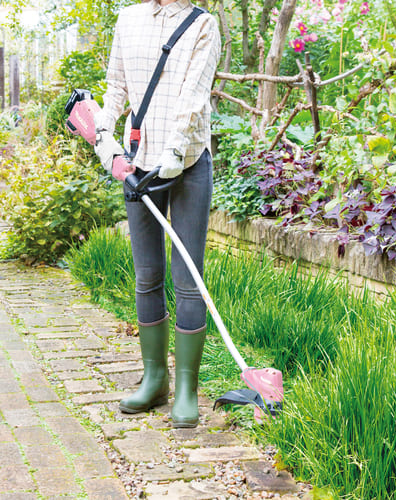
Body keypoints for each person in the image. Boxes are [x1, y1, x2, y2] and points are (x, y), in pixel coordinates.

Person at [93, 0, 221, 428]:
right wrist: (104, 137)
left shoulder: (203, 24)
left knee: (188, 278)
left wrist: (174, 148)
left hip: (185, 164)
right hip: (137, 164)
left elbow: (195, 96)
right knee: (147, 275)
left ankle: (186, 388)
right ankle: (155, 379)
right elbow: (116, 87)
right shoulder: (128, 18)